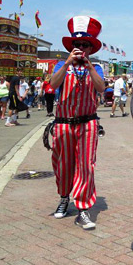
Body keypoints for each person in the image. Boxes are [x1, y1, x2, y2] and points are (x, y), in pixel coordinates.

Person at [49, 16, 105, 230]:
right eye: (77, 45)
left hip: (88, 123)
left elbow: (100, 89)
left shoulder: (96, 68)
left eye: (85, 45)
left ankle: (83, 208)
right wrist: (68, 63)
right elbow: (53, 85)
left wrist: (90, 67)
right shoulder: (60, 65)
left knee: (86, 166)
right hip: (63, 123)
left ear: (91, 49)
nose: (81, 48)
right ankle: (64, 198)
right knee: (63, 164)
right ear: (71, 47)